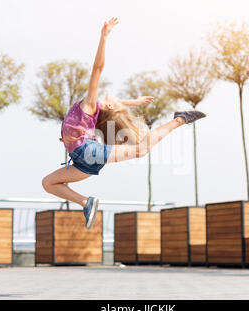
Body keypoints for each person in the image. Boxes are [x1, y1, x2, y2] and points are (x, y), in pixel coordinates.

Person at [42, 17, 206, 229]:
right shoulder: (96, 107)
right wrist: (134, 102)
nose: (112, 96)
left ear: (106, 107)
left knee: (141, 149)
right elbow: (114, 102)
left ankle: (180, 119)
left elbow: (97, 69)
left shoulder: (90, 106)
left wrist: (103, 37)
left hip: (87, 152)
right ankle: (86, 203)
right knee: (48, 183)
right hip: (81, 160)